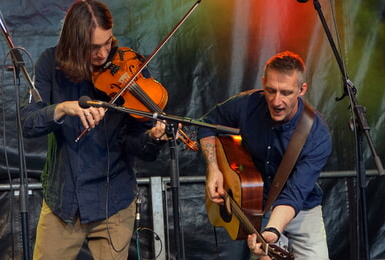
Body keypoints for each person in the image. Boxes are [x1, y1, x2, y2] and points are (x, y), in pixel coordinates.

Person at [20, 0, 168, 259]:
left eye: (108, 42)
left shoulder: (127, 68)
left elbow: (135, 144)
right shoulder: (49, 64)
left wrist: (152, 138)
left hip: (114, 202)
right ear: (74, 43)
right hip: (63, 202)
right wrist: (64, 108)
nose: (103, 54)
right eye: (93, 47)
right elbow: (28, 122)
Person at [198, 51, 332, 259]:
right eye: (271, 90)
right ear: (263, 83)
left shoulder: (317, 134)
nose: (276, 101)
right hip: (257, 206)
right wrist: (214, 169)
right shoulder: (247, 104)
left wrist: (271, 231)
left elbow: (294, 193)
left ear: (301, 89)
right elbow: (206, 125)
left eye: (286, 93)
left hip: (302, 209)